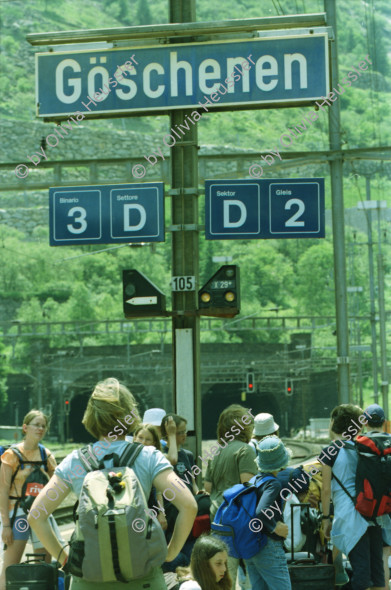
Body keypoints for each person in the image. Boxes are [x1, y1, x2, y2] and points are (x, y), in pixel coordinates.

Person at [28, 378, 197, 590]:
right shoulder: (148, 456)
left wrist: (65, 559)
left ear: (91, 416)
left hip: (89, 579)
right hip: (143, 576)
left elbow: (36, 515)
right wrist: (169, 553)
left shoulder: (76, 461)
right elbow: (189, 505)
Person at [320, 403, 390, 590]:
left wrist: (326, 519)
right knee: (377, 575)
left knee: (361, 574)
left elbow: (326, 490)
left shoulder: (330, 452)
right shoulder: (365, 448)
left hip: (350, 517)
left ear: (334, 422)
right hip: (373, 514)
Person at [0, 410, 58, 590]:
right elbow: (2, 490)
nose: (40, 429)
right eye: (36, 425)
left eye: (43, 426)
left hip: (40, 514)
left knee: (44, 568)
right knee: (10, 568)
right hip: (17, 514)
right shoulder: (11, 455)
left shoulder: (45, 455)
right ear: (25, 428)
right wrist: (6, 525)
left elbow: (58, 484)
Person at [204, 404, 257, 589]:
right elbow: (248, 487)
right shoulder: (245, 450)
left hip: (217, 519)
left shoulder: (215, 452)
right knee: (252, 574)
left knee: (224, 576)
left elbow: (208, 487)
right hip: (239, 523)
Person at [243, 436, 292, 590]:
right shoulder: (273, 483)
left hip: (251, 545)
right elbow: (261, 511)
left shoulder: (255, 480)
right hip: (268, 545)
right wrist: (275, 527)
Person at [160, 414, 199, 572]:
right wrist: (170, 436)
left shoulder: (188, 455)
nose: (185, 435)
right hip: (170, 517)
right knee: (172, 564)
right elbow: (173, 460)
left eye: (185, 431)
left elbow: (192, 482)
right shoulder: (161, 454)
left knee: (191, 562)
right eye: (180, 432)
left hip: (188, 518)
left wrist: (197, 491)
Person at [364, 404, 391, 590]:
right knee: (386, 553)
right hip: (389, 503)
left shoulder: (361, 443)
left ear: (365, 422)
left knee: (376, 554)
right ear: (384, 422)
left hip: (369, 506)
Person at [133, 423, 167, 530]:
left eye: (148, 440)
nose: (143, 442)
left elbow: (158, 492)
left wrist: (161, 513)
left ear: (154, 443)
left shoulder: (155, 460)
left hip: (150, 511)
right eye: (140, 437)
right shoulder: (126, 458)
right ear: (134, 438)